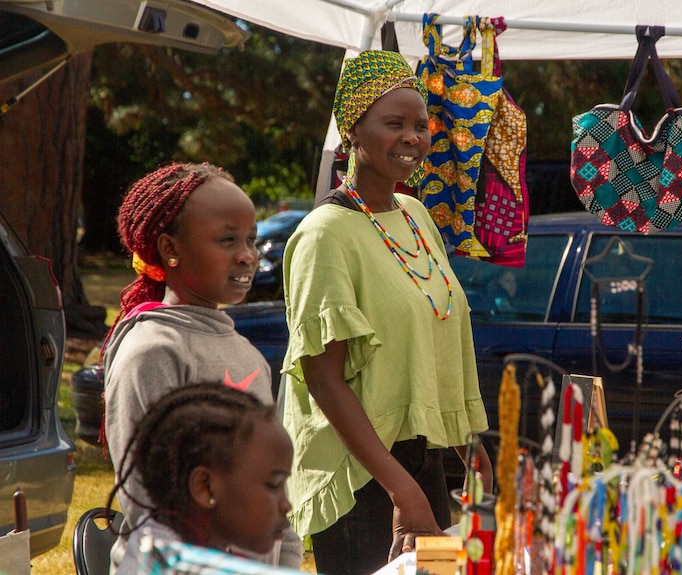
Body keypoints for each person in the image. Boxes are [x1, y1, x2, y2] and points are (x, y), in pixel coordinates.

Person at [280, 50, 493, 575]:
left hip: (423, 465)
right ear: (353, 131)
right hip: (363, 479)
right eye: (393, 123)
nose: (413, 137)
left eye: (420, 125)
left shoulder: (417, 216)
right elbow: (324, 380)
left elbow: (438, 336)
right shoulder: (324, 235)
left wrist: (468, 443)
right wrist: (400, 488)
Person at [102, 162, 302, 572]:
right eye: (227, 240)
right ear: (170, 249)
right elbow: (149, 504)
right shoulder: (152, 352)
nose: (247, 255)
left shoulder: (246, 354)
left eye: (251, 239)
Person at [108, 383, 296, 574]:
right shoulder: (169, 564)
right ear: (205, 487)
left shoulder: (156, 541)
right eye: (273, 485)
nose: (286, 505)